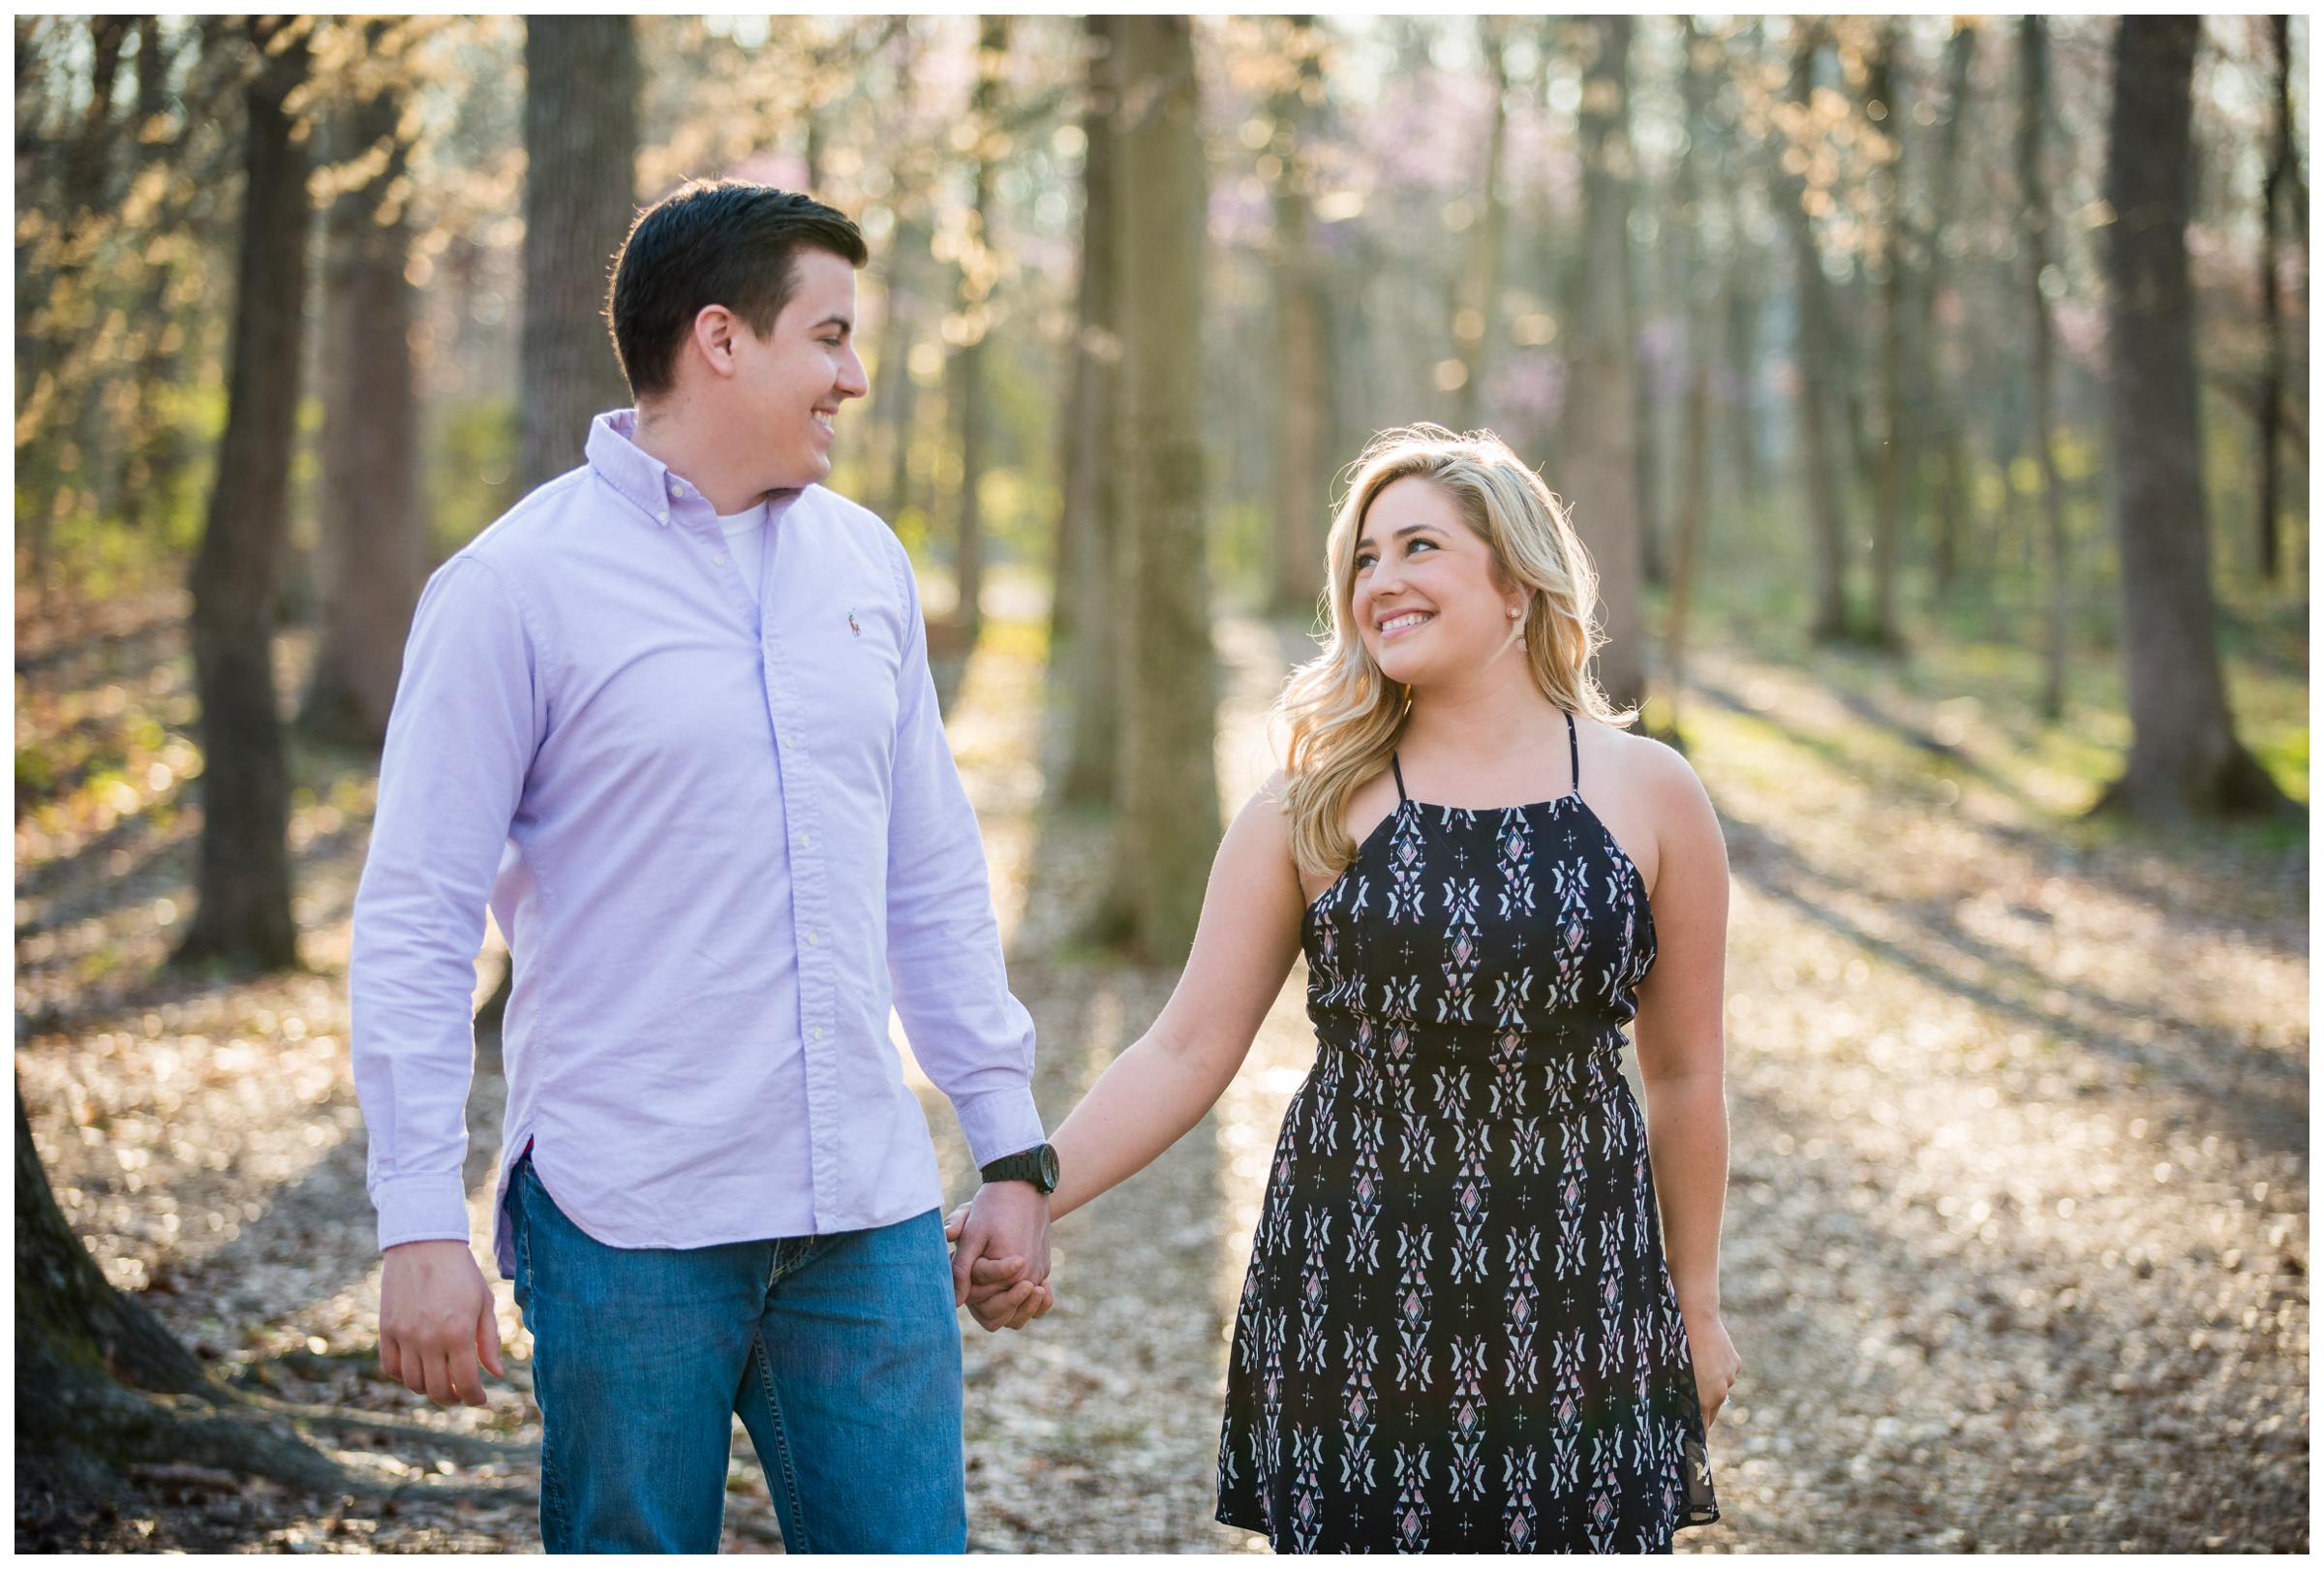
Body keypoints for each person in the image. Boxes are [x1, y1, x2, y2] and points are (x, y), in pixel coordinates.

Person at [350, 180, 1058, 1554]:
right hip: (632, 1218)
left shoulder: (868, 564)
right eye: (832, 336)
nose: (855, 379)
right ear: (721, 340)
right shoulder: (512, 588)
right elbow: (416, 920)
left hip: (867, 1217)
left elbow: (931, 873)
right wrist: (416, 1218)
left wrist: (1008, 1140)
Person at [957, 424, 1736, 1552]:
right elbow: (1184, 1050)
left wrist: (1696, 1302)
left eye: (1418, 547)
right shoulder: (1308, 806)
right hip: (1358, 1289)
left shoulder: (1651, 793)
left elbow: (1685, 1070)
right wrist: (1029, 1185)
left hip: (1586, 1289)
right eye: (1363, 559)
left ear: (1515, 580)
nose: (1381, 582)